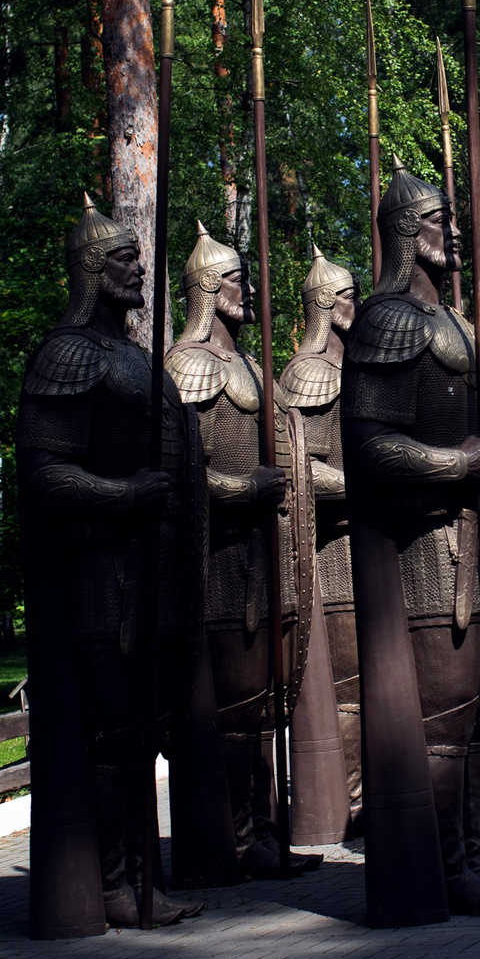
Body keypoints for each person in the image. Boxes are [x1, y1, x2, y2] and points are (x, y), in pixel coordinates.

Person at [344, 165, 480, 922]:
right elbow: (371, 445)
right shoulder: (387, 321)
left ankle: (476, 859)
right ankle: (450, 866)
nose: (453, 233)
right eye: (440, 221)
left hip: (477, 540)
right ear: (405, 233)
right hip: (428, 546)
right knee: (449, 718)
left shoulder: (450, 321)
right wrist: (457, 464)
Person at [16, 196, 205, 933]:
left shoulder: (133, 357)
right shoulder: (66, 355)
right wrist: (123, 493)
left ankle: (140, 882)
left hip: (149, 571)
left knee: (138, 735)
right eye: (126, 259)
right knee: (111, 740)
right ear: (95, 270)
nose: (138, 270)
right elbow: (45, 472)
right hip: (104, 579)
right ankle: (114, 883)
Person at [165, 223, 304, 880]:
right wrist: (248, 487)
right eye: (238, 281)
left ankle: (264, 835)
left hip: (260, 561)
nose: (248, 290)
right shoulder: (189, 365)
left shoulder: (249, 365)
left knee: (260, 712)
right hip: (216, 565)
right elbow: (183, 474)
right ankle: (233, 838)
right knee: (228, 716)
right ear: (209, 289)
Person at [279, 247, 360, 845]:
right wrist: (369, 483)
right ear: (327, 306)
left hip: (365, 548)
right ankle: (351, 799)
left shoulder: (353, 367)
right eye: (349, 297)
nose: (356, 305)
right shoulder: (308, 373)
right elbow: (304, 470)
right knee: (346, 687)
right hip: (330, 553)